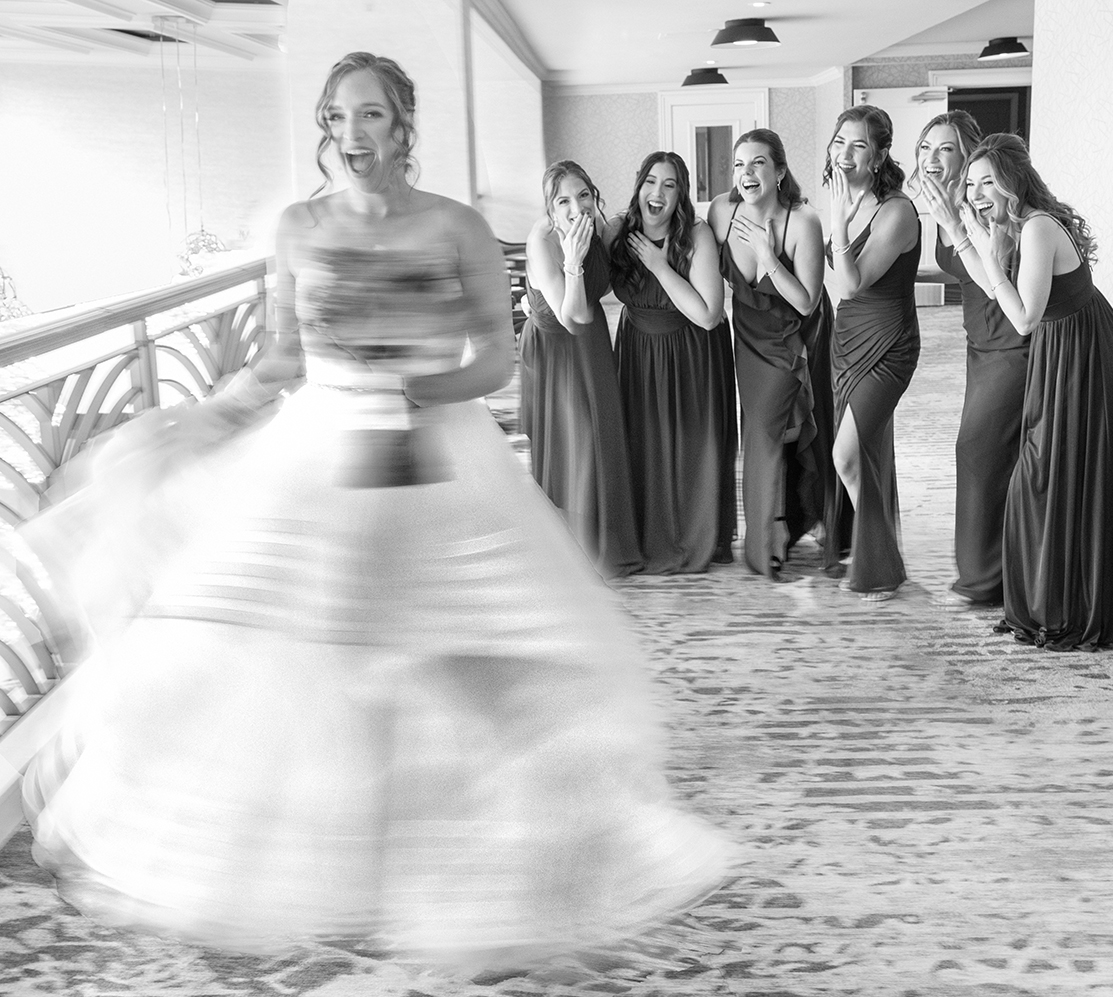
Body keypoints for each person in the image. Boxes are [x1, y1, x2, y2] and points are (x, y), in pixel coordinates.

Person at [18, 52, 728, 958]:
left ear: (403, 128)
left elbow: (496, 362)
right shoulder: (298, 227)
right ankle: (316, 845)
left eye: (374, 118)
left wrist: (413, 384)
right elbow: (283, 358)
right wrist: (212, 412)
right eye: (339, 118)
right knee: (274, 637)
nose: (353, 136)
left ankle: (523, 847)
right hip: (318, 449)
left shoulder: (455, 227)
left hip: (434, 451)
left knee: (472, 648)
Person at [958, 133, 1113, 650]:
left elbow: (1021, 318)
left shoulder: (1038, 228)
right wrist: (967, 237)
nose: (976, 192)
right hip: (1064, 353)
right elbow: (988, 282)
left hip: (1090, 359)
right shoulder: (1015, 225)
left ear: (1014, 182)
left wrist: (984, 249)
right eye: (970, 183)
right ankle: (1059, 600)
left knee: (1055, 479)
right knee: (1047, 478)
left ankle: (1072, 607)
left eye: (987, 181)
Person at [707, 129, 838, 579]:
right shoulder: (722, 213)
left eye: (758, 163)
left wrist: (767, 256)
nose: (747, 173)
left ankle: (766, 544)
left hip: (790, 341)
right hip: (745, 342)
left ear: (779, 171)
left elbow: (807, 301)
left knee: (763, 435)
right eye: (740, 164)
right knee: (772, 435)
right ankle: (785, 519)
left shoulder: (802, 222)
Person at [913, 111, 1029, 608]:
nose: (932, 159)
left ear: (968, 155)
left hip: (1013, 342)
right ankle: (995, 574)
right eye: (925, 149)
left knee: (976, 450)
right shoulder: (941, 206)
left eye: (945, 149)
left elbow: (995, 275)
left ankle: (982, 580)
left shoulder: (985, 206)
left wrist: (954, 221)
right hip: (978, 344)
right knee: (991, 456)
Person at [606, 151, 736, 573]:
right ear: (638, 186)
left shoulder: (694, 235)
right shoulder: (616, 231)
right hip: (637, 350)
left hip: (688, 350)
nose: (657, 192)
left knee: (690, 445)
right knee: (642, 443)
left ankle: (693, 535)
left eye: (669, 184)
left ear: (680, 195)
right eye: (650, 181)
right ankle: (644, 533)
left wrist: (660, 266)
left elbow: (708, 314)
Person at [521, 161, 642, 577]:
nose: (577, 208)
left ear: (594, 195)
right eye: (564, 201)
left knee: (601, 437)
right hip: (556, 347)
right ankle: (571, 551)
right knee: (572, 445)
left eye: (584, 195)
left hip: (591, 343)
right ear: (551, 210)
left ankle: (609, 543)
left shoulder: (601, 228)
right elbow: (572, 316)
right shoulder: (544, 240)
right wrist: (572, 263)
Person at [823, 105, 921, 601]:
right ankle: (875, 554)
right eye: (840, 141)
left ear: (880, 155)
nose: (845, 153)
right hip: (848, 339)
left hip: (888, 344)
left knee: (846, 455)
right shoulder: (849, 199)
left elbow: (851, 282)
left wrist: (837, 224)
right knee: (862, 450)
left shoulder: (897, 210)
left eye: (858, 144)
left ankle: (882, 563)